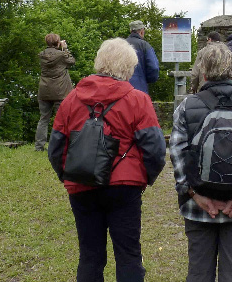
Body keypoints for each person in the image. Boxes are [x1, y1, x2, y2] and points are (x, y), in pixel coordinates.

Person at [48, 38, 167, 282]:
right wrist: (144, 178)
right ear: (128, 68)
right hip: (125, 186)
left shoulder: (71, 100)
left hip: (81, 184)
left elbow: (56, 148)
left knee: (89, 256)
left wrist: (68, 175)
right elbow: (155, 148)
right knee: (129, 255)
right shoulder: (138, 100)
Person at [170, 43, 232, 282]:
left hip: (198, 205)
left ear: (203, 73)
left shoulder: (187, 105)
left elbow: (177, 155)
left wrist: (195, 194)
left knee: (198, 271)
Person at [36, 33, 75, 151]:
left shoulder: (42, 55)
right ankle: (59, 146)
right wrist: (65, 48)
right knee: (62, 119)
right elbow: (72, 61)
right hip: (60, 91)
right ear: (57, 42)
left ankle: (39, 146)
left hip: (44, 90)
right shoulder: (62, 55)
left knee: (43, 118)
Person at [125, 20, 160, 96]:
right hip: (139, 89)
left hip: (121, 88)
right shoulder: (145, 45)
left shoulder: (120, 45)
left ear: (131, 31)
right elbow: (154, 67)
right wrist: (147, 79)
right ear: (141, 31)